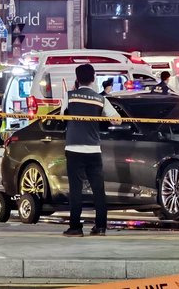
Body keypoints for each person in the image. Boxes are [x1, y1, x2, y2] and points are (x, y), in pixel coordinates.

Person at [63, 64, 121, 237]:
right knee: (98, 190)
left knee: (76, 189)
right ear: (94, 78)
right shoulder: (100, 99)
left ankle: (75, 227)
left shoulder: (69, 96)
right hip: (94, 149)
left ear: (77, 78)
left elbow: (63, 116)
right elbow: (116, 120)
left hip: (74, 148)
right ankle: (100, 227)